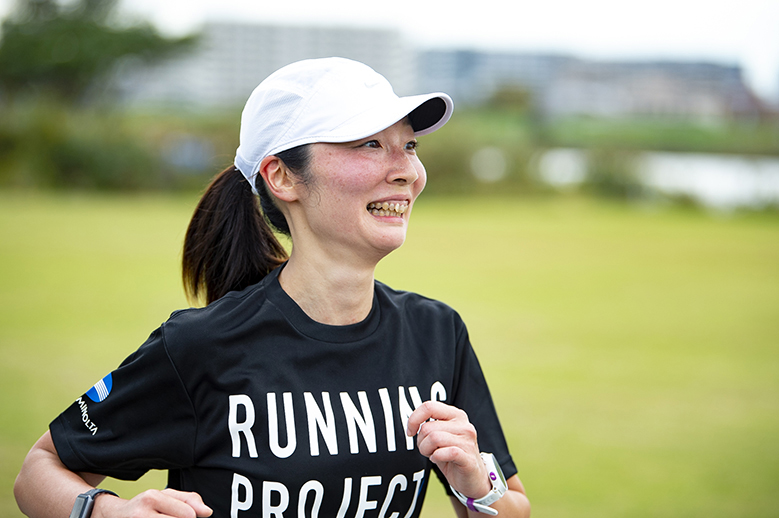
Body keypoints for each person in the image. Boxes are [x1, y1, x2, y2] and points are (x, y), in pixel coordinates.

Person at [14, 57, 531, 518]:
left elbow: (511, 506)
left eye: (409, 146)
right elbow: (40, 471)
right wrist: (110, 513)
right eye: (370, 144)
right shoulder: (201, 346)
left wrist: (476, 487)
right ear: (281, 177)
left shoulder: (437, 332)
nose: (407, 172)